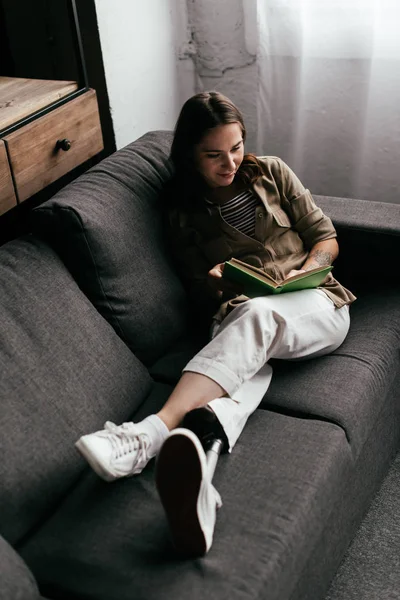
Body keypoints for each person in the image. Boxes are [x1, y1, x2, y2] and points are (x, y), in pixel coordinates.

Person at [75, 91, 356, 558]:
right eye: (213, 155)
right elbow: (196, 290)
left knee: (260, 316)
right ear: (190, 154)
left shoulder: (272, 172)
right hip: (241, 318)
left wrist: (310, 269)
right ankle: (200, 485)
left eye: (236, 147)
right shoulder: (182, 213)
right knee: (232, 379)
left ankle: (149, 432)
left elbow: (323, 234)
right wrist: (216, 285)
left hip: (318, 305)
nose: (229, 163)